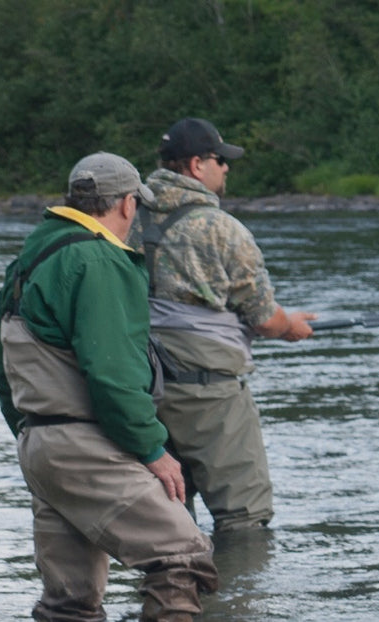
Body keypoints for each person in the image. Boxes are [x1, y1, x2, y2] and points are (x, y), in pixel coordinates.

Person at [0, 152, 219, 620]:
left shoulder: (28, 259)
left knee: (69, 602)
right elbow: (113, 375)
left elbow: (1, 369)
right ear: (126, 204)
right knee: (182, 556)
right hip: (85, 442)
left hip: (38, 444)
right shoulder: (97, 259)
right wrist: (153, 449)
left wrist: (31, 433)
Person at [129, 118, 316, 533]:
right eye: (220, 159)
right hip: (210, 394)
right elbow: (264, 319)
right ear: (197, 165)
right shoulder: (222, 229)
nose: (226, 168)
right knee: (243, 520)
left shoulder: (125, 218)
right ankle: (238, 598)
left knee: (168, 520)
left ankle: (174, 597)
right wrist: (291, 327)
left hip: (141, 387)